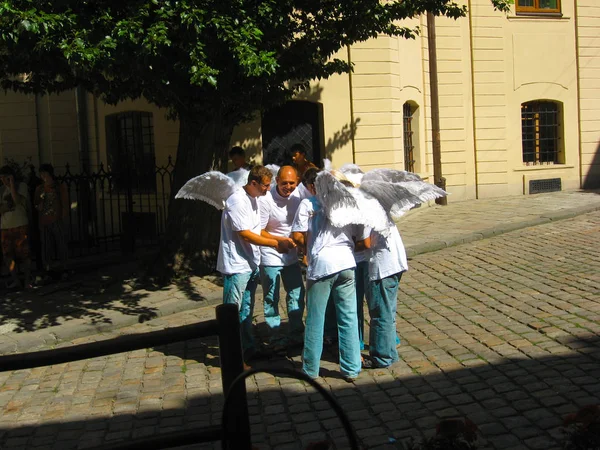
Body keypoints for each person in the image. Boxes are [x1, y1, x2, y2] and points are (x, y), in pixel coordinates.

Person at [291, 169, 368, 382]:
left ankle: (310, 369)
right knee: (348, 317)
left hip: (322, 265)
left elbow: (298, 236)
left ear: (315, 186)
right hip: (346, 263)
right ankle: (351, 368)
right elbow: (360, 237)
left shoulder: (309, 204)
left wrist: (305, 247)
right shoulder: (349, 204)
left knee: (316, 318)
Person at [217, 165, 295, 363]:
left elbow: (257, 230)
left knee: (246, 310)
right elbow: (245, 233)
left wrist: (279, 240)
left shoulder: (254, 199)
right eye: (265, 186)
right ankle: (233, 359)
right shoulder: (237, 200)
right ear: (253, 183)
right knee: (231, 313)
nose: (268, 190)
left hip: (250, 263)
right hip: (236, 265)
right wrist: (275, 243)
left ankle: (248, 349)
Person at [259, 165, 305, 350]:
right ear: (277, 181)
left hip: (291, 255)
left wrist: (299, 242)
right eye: (284, 183)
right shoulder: (266, 199)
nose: (288, 186)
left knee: (296, 293)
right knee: (271, 296)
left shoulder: (298, 197)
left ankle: (296, 331)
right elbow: (260, 230)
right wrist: (280, 241)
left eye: (292, 183)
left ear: (297, 182)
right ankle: (275, 334)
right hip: (270, 253)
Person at [363, 223, 408, 368]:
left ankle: (381, 357)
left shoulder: (365, 214)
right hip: (394, 264)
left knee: (380, 314)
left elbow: (365, 243)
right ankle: (390, 353)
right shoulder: (381, 208)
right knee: (388, 312)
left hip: (382, 268)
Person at [34, 164, 69, 278]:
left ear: (50, 173)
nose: (43, 176)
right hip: (44, 221)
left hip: (56, 219)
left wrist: (62, 217)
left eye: (44, 173)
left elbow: (64, 203)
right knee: (46, 246)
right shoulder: (39, 189)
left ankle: (64, 267)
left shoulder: (58, 187)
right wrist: (40, 203)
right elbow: (36, 205)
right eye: (41, 173)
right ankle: (48, 268)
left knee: (61, 243)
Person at [0, 165, 31, 289]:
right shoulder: (1, 190)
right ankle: (15, 280)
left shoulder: (21, 186)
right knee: (8, 255)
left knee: (24, 254)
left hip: (20, 224)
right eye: (1, 178)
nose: (3, 181)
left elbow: (17, 201)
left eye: (5, 178)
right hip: (5, 226)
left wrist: (11, 184)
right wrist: (6, 207)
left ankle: (27, 280)